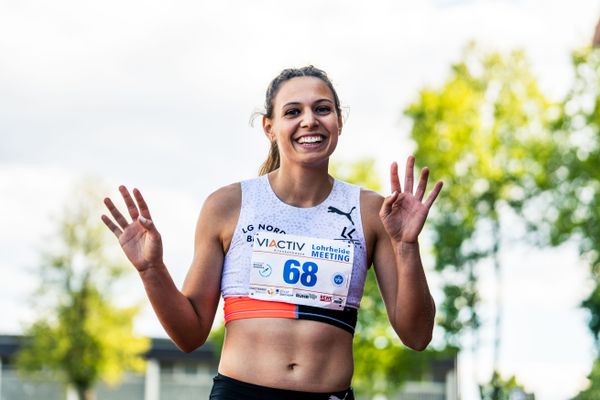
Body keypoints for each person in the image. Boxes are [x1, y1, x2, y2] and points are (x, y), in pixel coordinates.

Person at [101, 65, 443, 400]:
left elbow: (417, 336)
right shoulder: (227, 205)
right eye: (293, 111)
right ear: (269, 127)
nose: (309, 120)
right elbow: (189, 336)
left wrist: (407, 246)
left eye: (322, 109)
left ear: (339, 120)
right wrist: (151, 270)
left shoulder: (371, 211)